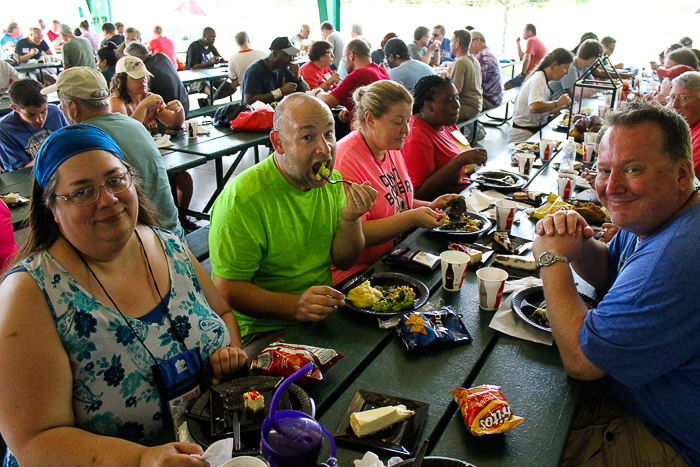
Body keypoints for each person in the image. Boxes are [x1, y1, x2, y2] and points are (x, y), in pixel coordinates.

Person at [0, 124, 247, 467]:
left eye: (116, 180)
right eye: (83, 192)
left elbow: (222, 315)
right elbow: (33, 440)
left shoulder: (168, 245)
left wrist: (230, 355)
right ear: (53, 209)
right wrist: (142, 459)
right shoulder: (30, 293)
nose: (108, 199)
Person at [533, 101, 699, 467]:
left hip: (666, 437)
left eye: (632, 169)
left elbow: (581, 359)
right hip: (630, 395)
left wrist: (552, 259)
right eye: (604, 170)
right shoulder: (659, 214)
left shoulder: (676, 256)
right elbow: (610, 268)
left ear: (682, 174)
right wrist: (576, 240)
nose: (611, 187)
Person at [209, 93, 377, 352]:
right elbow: (226, 289)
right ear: (279, 143)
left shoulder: (332, 183)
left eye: (329, 134)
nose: (325, 148)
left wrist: (350, 218)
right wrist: (295, 306)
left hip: (322, 315)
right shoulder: (242, 199)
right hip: (262, 330)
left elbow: (343, 260)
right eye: (307, 137)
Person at [45, 66, 186, 241]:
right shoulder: (135, 125)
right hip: (174, 234)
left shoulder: (81, 139)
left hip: (146, 244)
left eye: (61, 103)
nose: (61, 108)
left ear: (73, 107)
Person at [333, 80, 453, 283]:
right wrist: (412, 218)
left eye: (407, 120)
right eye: (398, 121)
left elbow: (393, 201)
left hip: (392, 255)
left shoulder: (388, 146)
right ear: (370, 119)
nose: (406, 130)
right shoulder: (346, 161)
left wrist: (429, 206)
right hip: (357, 270)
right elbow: (357, 232)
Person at [403, 75, 488, 200]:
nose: (457, 105)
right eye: (449, 100)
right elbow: (419, 195)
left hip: (468, 194)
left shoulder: (446, 123)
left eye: (457, 98)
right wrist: (459, 161)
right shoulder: (417, 137)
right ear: (429, 106)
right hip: (444, 208)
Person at [315, 38, 390, 124]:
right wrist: (349, 109)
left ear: (351, 55)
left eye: (344, 58)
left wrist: (317, 91)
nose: (344, 63)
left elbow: (326, 102)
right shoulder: (381, 71)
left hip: (364, 133)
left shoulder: (358, 74)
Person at [0, 79, 67, 171]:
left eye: (43, 112)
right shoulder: (4, 129)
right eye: (31, 115)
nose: (40, 120)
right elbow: (21, 171)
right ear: (15, 108)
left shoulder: (55, 111)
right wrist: (52, 151)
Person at [508, 48, 573, 143]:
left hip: (532, 132)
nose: (567, 73)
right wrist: (557, 102)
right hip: (523, 136)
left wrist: (562, 106)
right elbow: (534, 107)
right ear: (555, 64)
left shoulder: (543, 79)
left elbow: (544, 110)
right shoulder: (539, 80)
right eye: (566, 68)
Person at [125, 42, 190, 118]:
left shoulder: (146, 71)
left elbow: (139, 98)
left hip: (172, 113)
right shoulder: (162, 56)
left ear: (136, 58)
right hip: (184, 104)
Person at [242, 37, 309, 105]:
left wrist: (298, 78)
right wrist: (280, 92)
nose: (291, 59)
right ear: (275, 54)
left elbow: (307, 93)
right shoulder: (255, 70)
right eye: (287, 55)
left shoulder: (284, 69)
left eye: (292, 56)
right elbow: (248, 101)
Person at [185, 27, 234, 106]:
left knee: (232, 88)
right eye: (211, 36)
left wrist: (232, 62)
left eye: (215, 37)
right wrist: (210, 62)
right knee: (213, 92)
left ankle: (206, 102)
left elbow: (220, 59)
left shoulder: (211, 47)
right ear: (204, 35)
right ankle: (208, 105)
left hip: (211, 76)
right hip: (195, 78)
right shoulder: (194, 47)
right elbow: (192, 67)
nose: (214, 39)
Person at [669, 72, 700, 179]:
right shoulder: (689, 124)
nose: (674, 105)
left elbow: (681, 175)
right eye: (672, 97)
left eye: (683, 98)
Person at [450, 29, 482, 122]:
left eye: (452, 41)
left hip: (467, 107)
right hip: (477, 104)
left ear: (457, 44)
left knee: (433, 111)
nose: (450, 44)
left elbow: (456, 90)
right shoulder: (474, 59)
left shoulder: (460, 62)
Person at [504, 23, 547, 90]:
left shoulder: (532, 40)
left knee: (506, 85)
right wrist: (518, 44)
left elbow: (527, 59)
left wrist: (523, 74)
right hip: (535, 74)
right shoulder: (535, 40)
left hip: (531, 74)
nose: (522, 33)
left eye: (524, 31)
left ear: (529, 32)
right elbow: (522, 58)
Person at [469, 30, 503, 110]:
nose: (468, 45)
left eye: (470, 41)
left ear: (478, 41)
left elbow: (474, 82)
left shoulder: (483, 57)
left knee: (458, 102)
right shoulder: (487, 52)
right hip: (497, 96)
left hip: (490, 99)